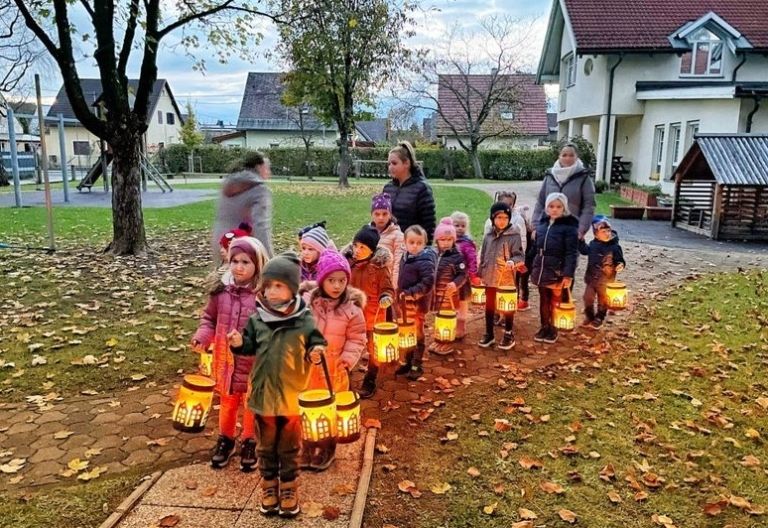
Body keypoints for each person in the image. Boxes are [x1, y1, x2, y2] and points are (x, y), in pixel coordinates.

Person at [229, 251, 327, 518]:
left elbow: (315, 340)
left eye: (279, 285)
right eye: (268, 285)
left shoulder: (304, 319)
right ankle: (269, 485)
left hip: (292, 396)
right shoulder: (257, 318)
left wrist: (315, 351)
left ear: (292, 288)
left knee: (289, 446)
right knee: (265, 446)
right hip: (263, 396)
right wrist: (239, 344)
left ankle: (288, 487)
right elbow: (250, 345)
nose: (271, 291)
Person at [191, 237, 269, 471]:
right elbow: (210, 319)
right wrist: (203, 337)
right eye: (235, 261)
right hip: (226, 361)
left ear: (257, 264)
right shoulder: (220, 292)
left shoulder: (262, 296)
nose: (239, 267)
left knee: (250, 403)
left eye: (246, 261)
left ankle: (249, 440)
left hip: (252, 362)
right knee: (227, 401)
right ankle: (225, 438)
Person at [301, 250, 366, 471]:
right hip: (310, 369)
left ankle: (328, 446)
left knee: (331, 411)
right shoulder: (308, 306)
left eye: (342, 280)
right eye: (331, 280)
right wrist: (307, 349)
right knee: (310, 409)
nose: (337, 285)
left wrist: (347, 359)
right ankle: (308, 444)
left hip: (335, 369)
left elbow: (357, 338)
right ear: (321, 280)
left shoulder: (352, 310)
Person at [345, 226, 395, 399]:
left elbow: (388, 288)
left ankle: (371, 379)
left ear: (372, 250)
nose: (357, 251)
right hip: (351, 318)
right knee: (349, 348)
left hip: (372, 317)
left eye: (362, 248)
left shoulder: (379, 269)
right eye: (355, 245)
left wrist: (386, 297)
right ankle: (345, 380)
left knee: (373, 349)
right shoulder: (348, 264)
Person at [530, 193, 579, 344]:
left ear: (564, 208)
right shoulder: (542, 225)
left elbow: (571, 252)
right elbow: (535, 247)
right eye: (551, 206)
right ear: (546, 208)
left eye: (558, 207)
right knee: (544, 299)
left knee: (555, 300)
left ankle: (554, 327)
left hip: (557, 269)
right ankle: (544, 325)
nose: (555, 210)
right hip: (542, 268)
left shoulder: (569, 228)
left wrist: (567, 274)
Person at [211, 151, 274, 264]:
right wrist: (268, 258)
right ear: (259, 167)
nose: (269, 172)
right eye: (267, 168)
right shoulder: (259, 190)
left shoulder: (228, 183)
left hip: (220, 242)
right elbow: (261, 226)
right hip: (242, 246)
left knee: (224, 279)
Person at [478, 203, 525, 350]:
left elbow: (520, 255)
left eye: (505, 217)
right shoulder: (488, 236)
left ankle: (508, 334)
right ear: (493, 218)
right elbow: (484, 255)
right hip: (490, 277)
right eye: (499, 217)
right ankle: (489, 333)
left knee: (507, 308)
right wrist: (480, 273)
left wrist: (512, 261)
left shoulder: (514, 235)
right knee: (489, 306)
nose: (502, 220)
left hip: (506, 279)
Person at [395, 225, 436, 380]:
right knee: (406, 333)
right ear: (405, 242)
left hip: (417, 306)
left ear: (424, 244)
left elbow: (427, 283)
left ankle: (416, 364)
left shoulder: (425, 261)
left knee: (417, 335)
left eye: (419, 243)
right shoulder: (404, 257)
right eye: (411, 242)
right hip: (404, 306)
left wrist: (411, 293)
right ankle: (406, 361)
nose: (415, 246)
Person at [532, 143, 596, 240]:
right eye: (564, 155)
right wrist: (535, 225)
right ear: (559, 156)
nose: (567, 158)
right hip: (548, 227)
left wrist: (581, 229)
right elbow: (540, 202)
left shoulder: (583, 177)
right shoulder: (550, 175)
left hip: (571, 229)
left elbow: (589, 206)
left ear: (576, 157)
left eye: (571, 155)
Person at [383, 141, 437, 242]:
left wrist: (423, 252)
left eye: (394, 163)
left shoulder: (422, 189)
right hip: (390, 246)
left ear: (406, 163)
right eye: (389, 164)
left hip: (413, 247)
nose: (390, 167)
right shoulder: (388, 188)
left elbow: (429, 226)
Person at [579, 216, 626, 329]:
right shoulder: (593, 244)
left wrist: (620, 264)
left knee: (602, 300)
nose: (607, 233)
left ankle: (600, 317)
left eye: (608, 231)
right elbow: (584, 251)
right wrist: (580, 241)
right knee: (587, 298)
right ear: (596, 233)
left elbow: (620, 259)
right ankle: (589, 316)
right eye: (603, 231)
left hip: (606, 280)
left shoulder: (615, 247)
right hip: (591, 278)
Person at [430, 218, 468, 355]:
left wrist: (455, 283)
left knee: (448, 320)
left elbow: (463, 274)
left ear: (453, 240)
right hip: (437, 295)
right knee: (439, 319)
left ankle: (447, 343)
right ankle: (439, 340)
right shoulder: (433, 254)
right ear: (437, 240)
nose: (445, 243)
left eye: (449, 239)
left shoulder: (457, 257)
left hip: (449, 296)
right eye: (442, 239)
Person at [451, 211, 478, 339]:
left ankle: (460, 328)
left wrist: (473, 274)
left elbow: (472, 260)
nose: (460, 228)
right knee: (450, 303)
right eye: (457, 225)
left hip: (462, 279)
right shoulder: (447, 241)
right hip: (449, 280)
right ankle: (450, 325)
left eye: (462, 226)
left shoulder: (467, 243)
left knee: (462, 304)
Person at [369, 193, 404, 287]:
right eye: (377, 214)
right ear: (371, 214)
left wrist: (394, 287)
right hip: (369, 283)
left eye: (385, 214)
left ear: (390, 215)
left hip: (387, 283)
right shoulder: (366, 233)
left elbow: (398, 264)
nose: (381, 217)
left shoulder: (398, 236)